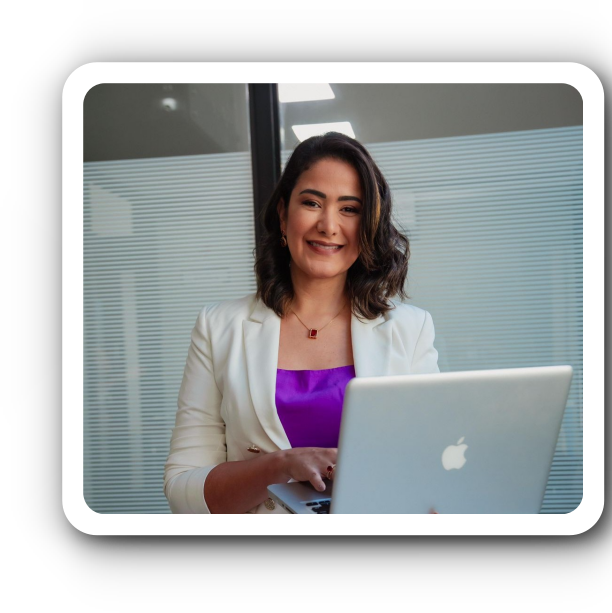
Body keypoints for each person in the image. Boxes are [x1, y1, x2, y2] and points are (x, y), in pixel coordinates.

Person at [163, 132, 439, 514]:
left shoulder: (410, 330)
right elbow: (183, 491)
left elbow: (431, 468)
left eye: (349, 209)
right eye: (312, 203)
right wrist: (279, 466)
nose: (328, 225)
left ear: (369, 225)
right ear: (283, 214)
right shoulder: (218, 327)